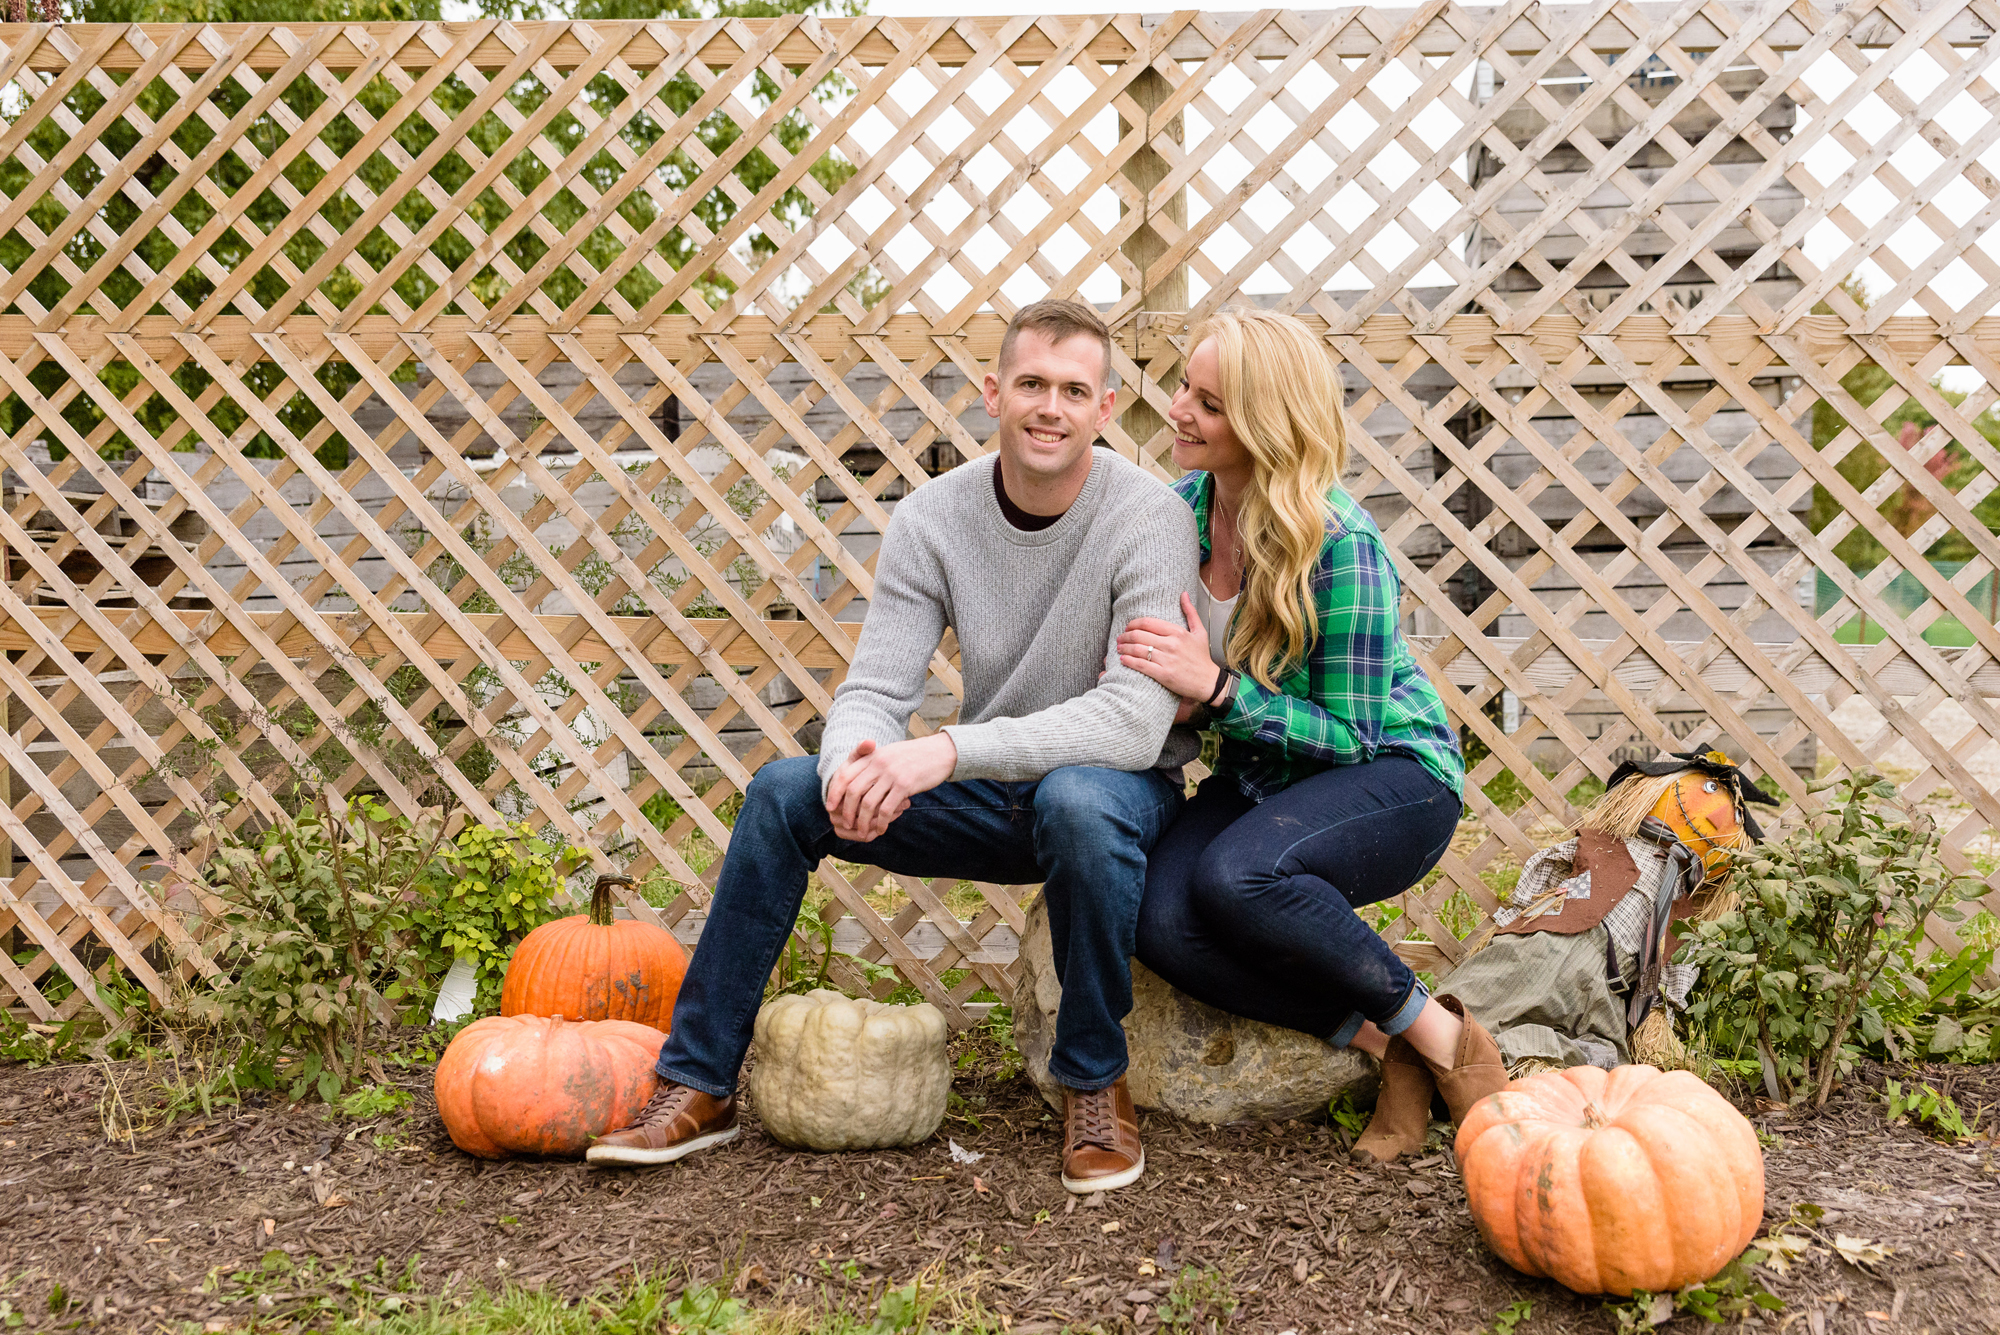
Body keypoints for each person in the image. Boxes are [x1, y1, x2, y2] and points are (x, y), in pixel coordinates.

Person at [588, 299, 1200, 1194]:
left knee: (1076, 795)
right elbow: (876, 689)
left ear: (1105, 410)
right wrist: (854, 768)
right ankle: (699, 1082)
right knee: (782, 792)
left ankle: (1094, 1081)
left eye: (1075, 390)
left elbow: (1133, 721)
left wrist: (943, 751)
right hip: (994, 792)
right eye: (1031, 383)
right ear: (993, 392)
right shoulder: (930, 520)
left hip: (1116, 795)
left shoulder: (1147, 517)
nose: (1050, 408)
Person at [1116, 308, 1505, 1166]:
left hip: (1396, 774)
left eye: (1208, 403)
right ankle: (1386, 1043)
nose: (1178, 408)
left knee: (1235, 874)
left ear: (1263, 424)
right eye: (1185, 385)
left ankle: (1452, 1043)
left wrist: (1216, 691)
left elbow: (1352, 737)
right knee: (1157, 915)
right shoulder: (1171, 518)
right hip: (1263, 776)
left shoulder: (1339, 544)